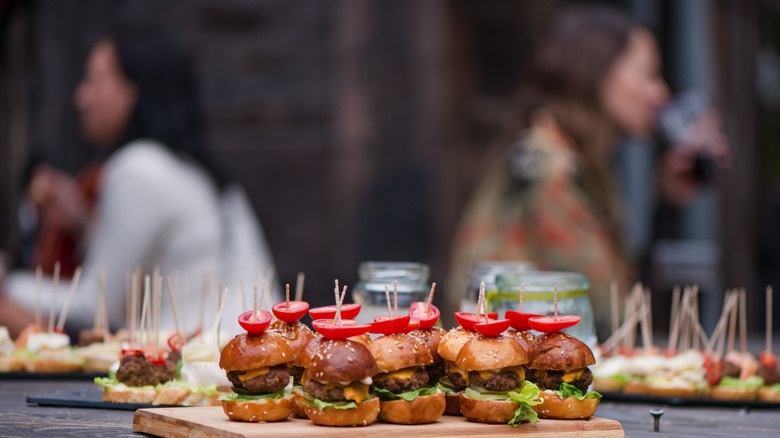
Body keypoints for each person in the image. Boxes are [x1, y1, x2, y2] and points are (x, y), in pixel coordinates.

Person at [448, 6, 728, 339]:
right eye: (648, 74)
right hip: (510, 367)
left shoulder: (574, 155)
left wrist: (665, 201)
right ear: (599, 70)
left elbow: (617, 300)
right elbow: (613, 311)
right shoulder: (550, 166)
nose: (661, 93)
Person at [0, 22, 278, 338]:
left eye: (94, 80)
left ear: (133, 89)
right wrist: (82, 222)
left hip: (197, 365)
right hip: (251, 351)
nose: (81, 97)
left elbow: (95, 309)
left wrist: (9, 283)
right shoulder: (200, 170)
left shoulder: (137, 168)